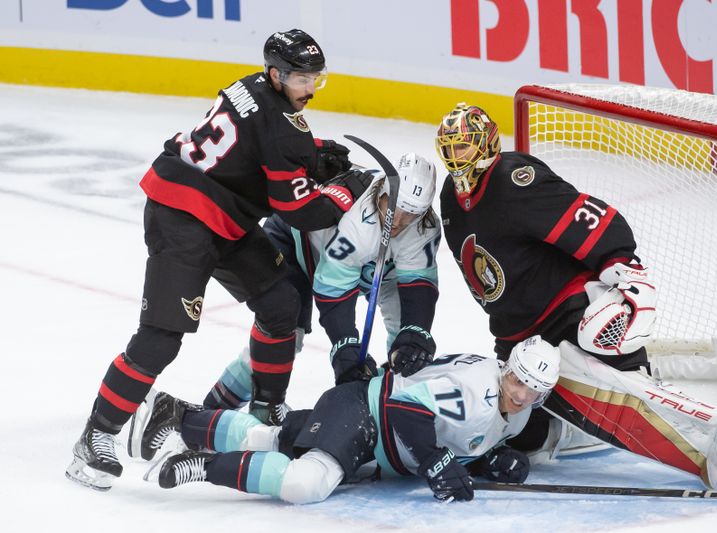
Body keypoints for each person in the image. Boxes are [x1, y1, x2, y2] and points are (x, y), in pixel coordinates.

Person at [65, 29, 376, 491]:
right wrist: (343, 187)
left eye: (316, 79)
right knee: (161, 337)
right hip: (183, 220)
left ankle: (266, 409)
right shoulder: (285, 125)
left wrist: (310, 156)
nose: (309, 90)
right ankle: (96, 435)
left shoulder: (249, 86)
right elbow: (300, 212)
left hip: (219, 215)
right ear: (276, 74)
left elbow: (259, 143)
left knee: (281, 303)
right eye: (300, 80)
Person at [434, 102, 717, 492]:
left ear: (487, 142)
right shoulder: (450, 198)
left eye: (463, 146)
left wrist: (622, 263)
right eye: (450, 147)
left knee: (612, 398)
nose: (455, 156)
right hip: (518, 332)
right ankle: (575, 430)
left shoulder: (513, 180)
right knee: (522, 428)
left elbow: (590, 217)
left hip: (568, 312)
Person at [127, 335, 560, 504]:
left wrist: (484, 462)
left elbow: (463, 437)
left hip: (372, 430)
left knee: (273, 439)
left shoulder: (515, 414)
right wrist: (435, 462)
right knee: (304, 483)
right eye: (518, 380)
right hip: (368, 414)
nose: (522, 395)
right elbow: (407, 409)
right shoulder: (478, 390)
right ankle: (200, 464)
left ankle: (180, 418)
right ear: (507, 367)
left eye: (533, 390)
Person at [183, 152, 442, 426]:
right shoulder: (358, 221)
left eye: (411, 213)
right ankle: (212, 410)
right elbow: (333, 291)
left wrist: (415, 332)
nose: (399, 221)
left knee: (408, 343)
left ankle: (393, 411)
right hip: (297, 243)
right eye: (395, 206)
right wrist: (345, 346)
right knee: (283, 336)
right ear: (382, 192)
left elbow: (418, 285)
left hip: (369, 263)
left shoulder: (424, 227)